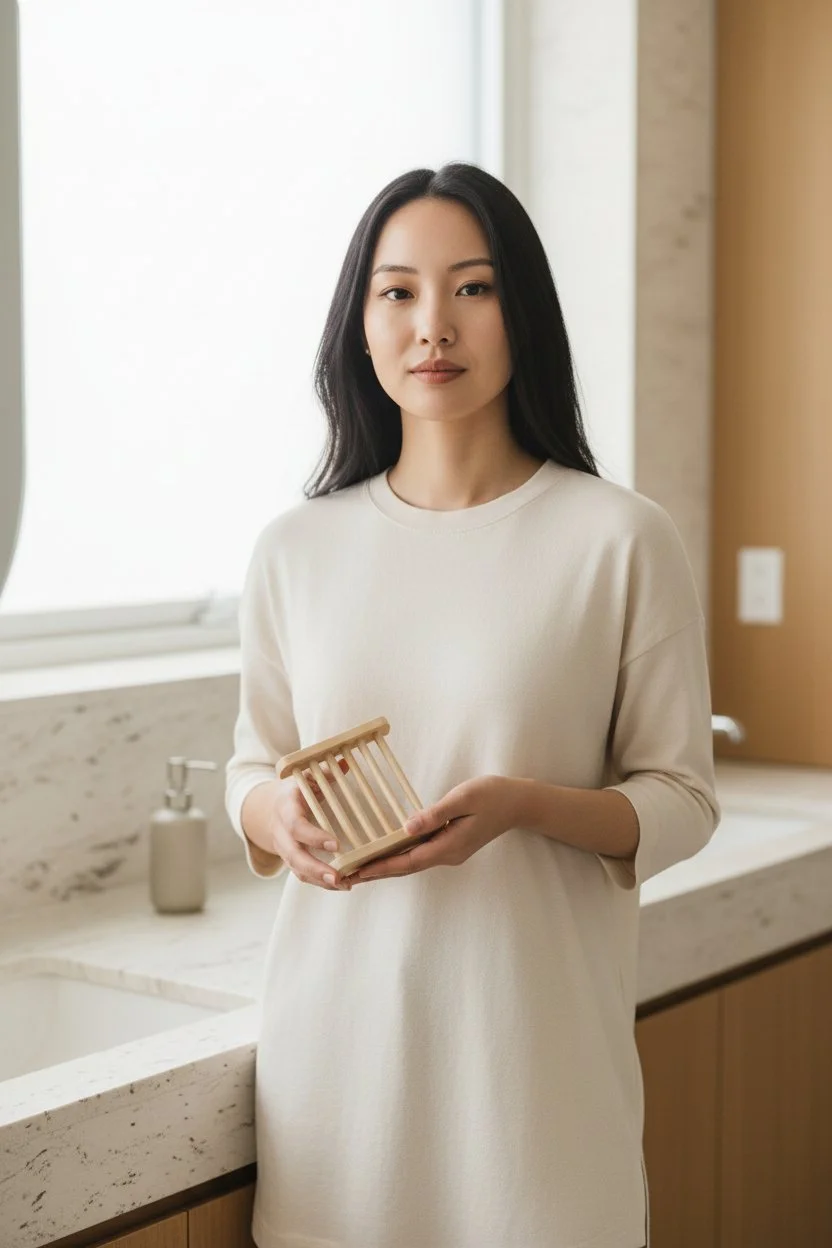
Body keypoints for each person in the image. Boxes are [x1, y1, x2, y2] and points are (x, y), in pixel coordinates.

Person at [224, 161, 719, 1248]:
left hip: (534, 1076)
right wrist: (274, 819)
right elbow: (252, 763)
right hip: (335, 1069)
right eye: (396, 292)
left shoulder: (617, 538)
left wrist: (524, 805)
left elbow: (682, 798)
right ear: (358, 326)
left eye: (473, 288)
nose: (431, 325)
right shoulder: (296, 549)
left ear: (522, 314)